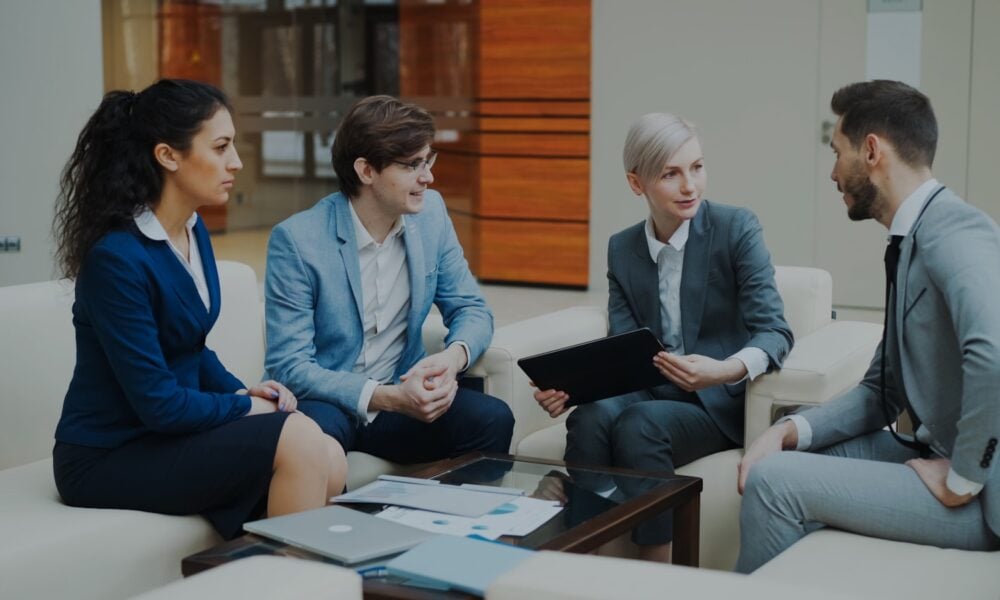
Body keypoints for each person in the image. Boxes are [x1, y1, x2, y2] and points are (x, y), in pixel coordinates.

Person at [51, 79, 347, 540]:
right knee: (301, 439)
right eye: (221, 147)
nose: (237, 162)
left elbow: (191, 348)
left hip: (165, 433)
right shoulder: (116, 260)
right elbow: (160, 405)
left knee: (331, 453)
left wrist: (244, 390)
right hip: (109, 453)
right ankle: (286, 573)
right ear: (168, 155)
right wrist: (245, 406)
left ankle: (278, 568)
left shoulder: (192, 229)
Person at [735, 80, 1000, 572]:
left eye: (837, 152)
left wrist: (963, 478)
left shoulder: (955, 229)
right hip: (931, 453)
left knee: (773, 484)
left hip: (984, 496)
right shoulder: (910, 241)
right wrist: (787, 431)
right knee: (781, 462)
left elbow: (994, 353)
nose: (834, 172)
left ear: (872, 151)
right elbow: (882, 390)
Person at [534, 113, 793, 561]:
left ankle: (658, 569)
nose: (690, 185)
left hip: (717, 401)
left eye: (697, 167)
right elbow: (624, 347)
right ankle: (584, 551)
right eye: (671, 174)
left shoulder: (736, 228)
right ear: (637, 183)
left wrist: (723, 370)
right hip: (652, 387)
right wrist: (574, 389)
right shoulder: (622, 248)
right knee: (589, 417)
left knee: (640, 425)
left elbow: (775, 331)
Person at [264, 95, 514, 468]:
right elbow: (290, 365)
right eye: (412, 165)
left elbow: (471, 308)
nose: (427, 177)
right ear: (366, 171)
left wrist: (451, 358)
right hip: (327, 400)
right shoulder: (298, 240)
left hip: (402, 391)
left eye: (428, 160)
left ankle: (448, 508)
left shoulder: (430, 215)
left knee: (493, 418)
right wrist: (386, 397)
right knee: (313, 445)